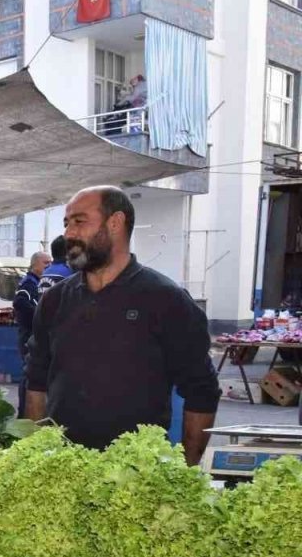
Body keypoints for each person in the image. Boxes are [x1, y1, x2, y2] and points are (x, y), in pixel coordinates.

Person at [25, 186, 221, 464]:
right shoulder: (54, 301)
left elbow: (201, 391)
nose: (69, 233)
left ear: (115, 222)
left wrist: (185, 470)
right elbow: (36, 381)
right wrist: (36, 459)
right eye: (67, 223)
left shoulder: (166, 299)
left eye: (79, 221)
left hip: (139, 475)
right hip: (63, 472)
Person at [13, 251, 52, 418]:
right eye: (45, 263)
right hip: (27, 334)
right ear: (35, 264)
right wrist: (39, 315)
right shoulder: (29, 283)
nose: (48, 266)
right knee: (29, 373)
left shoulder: (39, 282)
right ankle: (24, 412)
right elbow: (19, 302)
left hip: (31, 333)